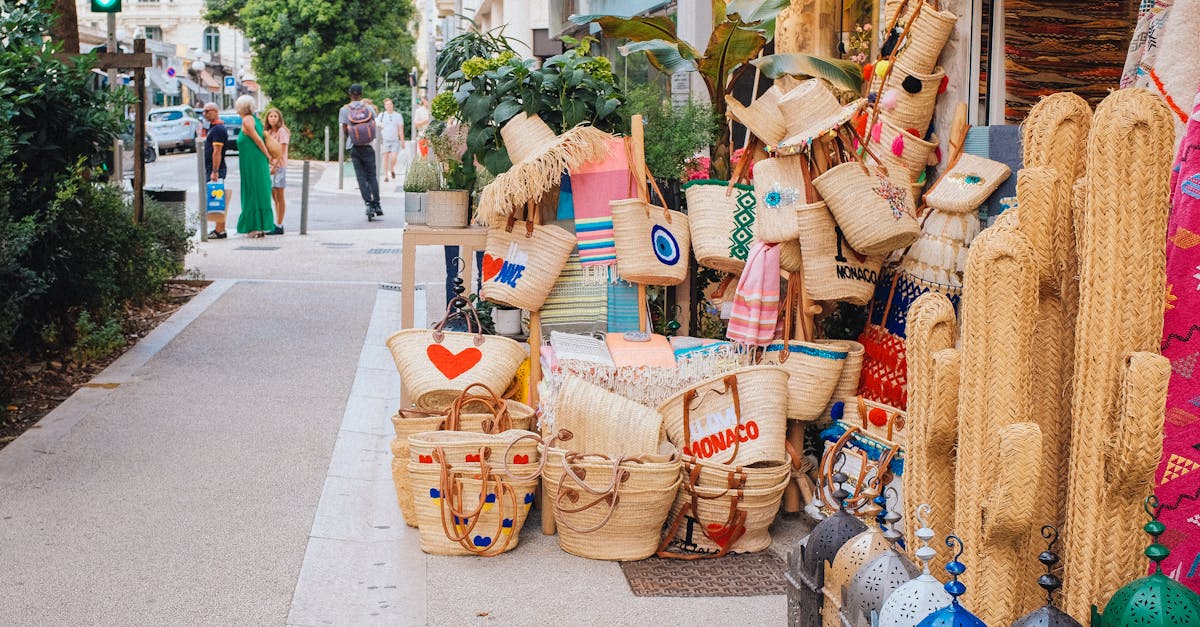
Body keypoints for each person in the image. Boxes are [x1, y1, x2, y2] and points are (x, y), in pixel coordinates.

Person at [234, 95, 278, 237]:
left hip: (253, 161)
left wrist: (268, 156)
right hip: (255, 161)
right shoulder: (256, 120)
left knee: (252, 190)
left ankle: (254, 227)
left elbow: (258, 140)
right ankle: (260, 226)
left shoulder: (247, 120)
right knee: (260, 190)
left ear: (241, 107)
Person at [339, 84, 382, 219]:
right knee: (372, 176)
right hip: (368, 146)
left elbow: (345, 129)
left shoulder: (345, 110)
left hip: (355, 147)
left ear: (350, 93)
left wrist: (353, 137)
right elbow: (375, 123)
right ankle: (377, 203)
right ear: (361, 94)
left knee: (361, 177)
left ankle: (368, 203)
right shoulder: (368, 108)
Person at [202, 102, 229, 239]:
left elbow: (217, 151)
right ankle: (220, 229)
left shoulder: (218, 129)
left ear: (215, 111)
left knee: (217, 200)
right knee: (216, 198)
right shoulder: (214, 128)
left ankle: (220, 230)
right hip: (213, 169)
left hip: (216, 170)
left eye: (207, 111)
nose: (205, 114)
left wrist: (215, 171)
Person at [263, 107, 289, 235]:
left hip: (279, 166)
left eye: (275, 116)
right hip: (270, 166)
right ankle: (276, 222)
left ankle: (280, 224)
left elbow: (282, 151)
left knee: (280, 195)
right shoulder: (267, 132)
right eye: (270, 116)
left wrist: (275, 166)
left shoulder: (282, 132)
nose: (273, 118)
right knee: (274, 196)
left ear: (279, 118)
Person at [378, 98, 406, 182]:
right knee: (385, 158)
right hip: (385, 140)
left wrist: (402, 141)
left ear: (392, 105)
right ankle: (386, 176)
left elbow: (400, 129)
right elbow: (377, 126)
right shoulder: (381, 115)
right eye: (387, 104)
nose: (389, 106)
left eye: (390, 104)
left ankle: (391, 168)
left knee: (394, 157)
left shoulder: (398, 116)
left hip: (395, 140)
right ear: (385, 106)